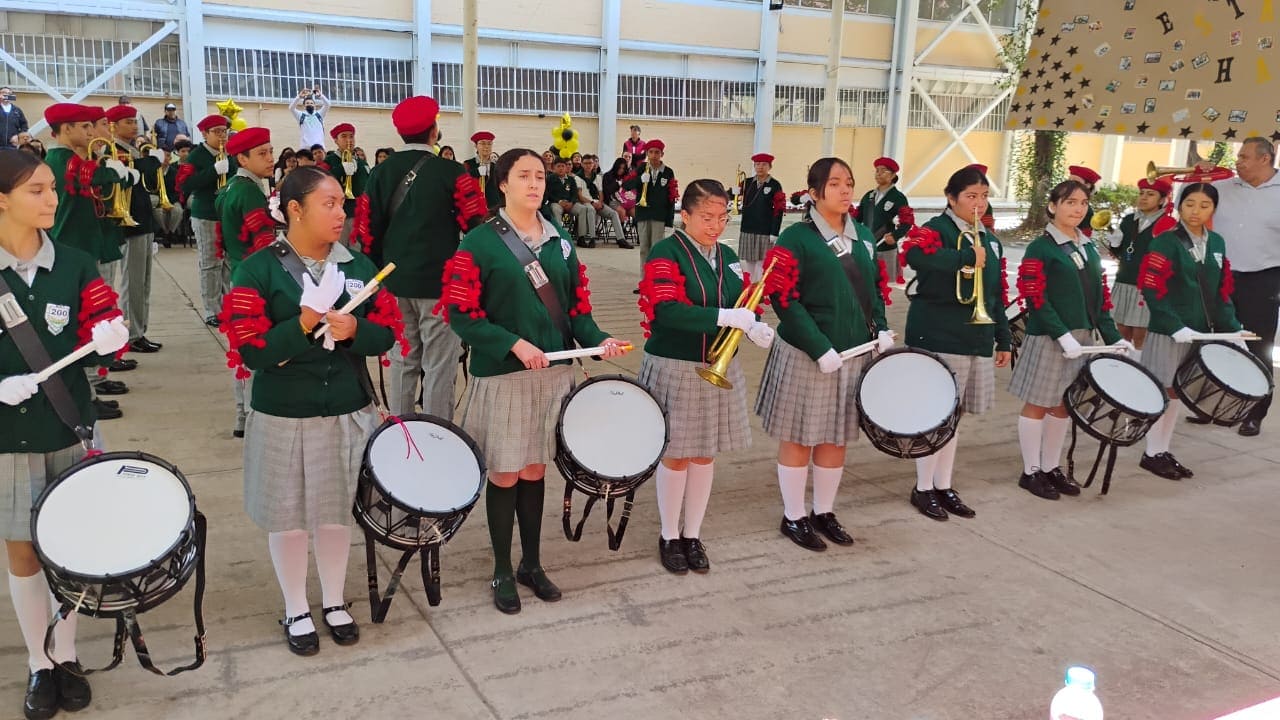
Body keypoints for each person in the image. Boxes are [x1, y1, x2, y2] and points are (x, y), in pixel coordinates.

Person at [435, 148, 629, 613]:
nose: (535, 184)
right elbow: (460, 314)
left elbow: (576, 309)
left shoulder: (560, 238)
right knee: (504, 471)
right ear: (502, 184)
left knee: (535, 468)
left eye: (540, 176)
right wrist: (511, 343)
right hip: (504, 375)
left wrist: (599, 340)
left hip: (554, 373)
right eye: (523, 176)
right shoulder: (478, 243)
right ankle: (502, 568)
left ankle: (532, 563)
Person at [220, 166, 400, 655]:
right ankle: (296, 605)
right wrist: (301, 324)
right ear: (294, 209)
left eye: (343, 203)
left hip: (346, 407)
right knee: (290, 515)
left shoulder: (360, 265)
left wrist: (355, 331)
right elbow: (252, 351)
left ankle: (336, 601)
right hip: (285, 412)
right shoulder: (256, 268)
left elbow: (388, 332)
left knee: (336, 510)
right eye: (329, 203)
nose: (342, 213)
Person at [0, 149, 129, 720]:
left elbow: (108, 332)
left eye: (52, 188)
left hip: (70, 427)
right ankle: (38, 662)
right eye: (37, 190)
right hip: (8, 437)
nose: (52, 199)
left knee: (68, 547)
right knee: (24, 552)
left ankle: (68, 655)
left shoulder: (75, 263)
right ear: (2, 199)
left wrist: (111, 336)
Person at [757, 157, 894, 551]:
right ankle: (794, 515)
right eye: (835, 184)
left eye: (849, 182)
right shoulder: (795, 239)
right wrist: (818, 346)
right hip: (809, 354)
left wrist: (880, 327)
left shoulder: (863, 234)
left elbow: (874, 288)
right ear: (814, 193)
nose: (845, 190)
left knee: (836, 436)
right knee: (801, 435)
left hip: (854, 352)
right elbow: (782, 297)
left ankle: (824, 510)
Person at [637, 179, 773, 573]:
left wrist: (754, 324)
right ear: (685, 216)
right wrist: (724, 317)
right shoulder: (666, 252)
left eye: (722, 217)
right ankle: (668, 535)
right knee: (677, 454)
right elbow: (666, 310)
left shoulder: (728, 255)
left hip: (719, 365)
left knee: (704, 452)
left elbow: (741, 301)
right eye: (706, 217)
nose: (715, 225)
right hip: (676, 365)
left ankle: (692, 534)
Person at [351, 95, 486, 419]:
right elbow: (476, 226)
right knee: (440, 364)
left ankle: (399, 430)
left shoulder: (380, 173)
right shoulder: (452, 171)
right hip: (441, 286)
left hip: (393, 285)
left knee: (402, 360)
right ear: (434, 130)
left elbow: (366, 231)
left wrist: (378, 276)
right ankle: (438, 433)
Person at [900, 165, 1011, 520]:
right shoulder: (936, 229)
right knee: (935, 414)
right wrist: (964, 257)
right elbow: (915, 256)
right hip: (939, 333)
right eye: (970, 196)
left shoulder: (989, 239)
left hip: (974, 338)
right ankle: (923, 487)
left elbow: (994, 293)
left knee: (955, 417)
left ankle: (944, 484)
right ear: (951, 197)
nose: (979, 204)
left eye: (984, 196)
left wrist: (1003, 337)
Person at [1012, 180, 1128, 501]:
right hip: (1050, 336)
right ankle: (1031, 471)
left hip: (1081, 338)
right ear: (1053, 206)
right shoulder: (1041, 247)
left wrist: (1115, 337)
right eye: (1070, 202)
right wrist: (1061, 334)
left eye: (1082, 202)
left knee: (1063, 404)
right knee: (1038, 402)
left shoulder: (1088, 246)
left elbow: (1100, 299)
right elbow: (1035, 297)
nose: (1078, 208)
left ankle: (1051, 467)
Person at [1137, 183, 1251, 478]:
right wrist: (1175, 326)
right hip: (1169, 331)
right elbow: (1151, 289)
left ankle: (1161, 449)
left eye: (1204, 205)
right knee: (1162, 390)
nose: (1196, 211)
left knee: (1176, 392)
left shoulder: (1217, 243)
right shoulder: (1165, 242)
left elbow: (1220, 291)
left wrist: (1234, 331)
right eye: (1189, 203)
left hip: (1199, 332)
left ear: (1214, 209)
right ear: (1178, 205)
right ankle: (1151, 452)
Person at [43, 103, 134, 420]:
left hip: (81, 249)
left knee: (91, 322)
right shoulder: (62, 160)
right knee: (82, 325)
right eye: (84, 127)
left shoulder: (72, 160)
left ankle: (92, 387)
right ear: (65, 129)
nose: (92, 132)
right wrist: (115, 171)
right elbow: (93, 177)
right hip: (71, 250)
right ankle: (85, 394)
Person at [1208, 137, 1280, 437]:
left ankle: (1255, 411)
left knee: (1257, 346)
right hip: (1220, 275)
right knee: (1216, 342)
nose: (1237, 161)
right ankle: (1213, 403)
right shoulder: (1221, 187)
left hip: (1263, 278)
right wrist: (1201, 177)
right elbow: (1187, 206)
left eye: (1244, 156)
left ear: (1265, 159)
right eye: (1238, 156)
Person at [217, 127, 277, 439]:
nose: (271, 158)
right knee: (255, 347)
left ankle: (243, 414)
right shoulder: (250, 192)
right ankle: (253, 414)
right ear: (242, 158)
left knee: (241, 347)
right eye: (262, 153)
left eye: (270, 151)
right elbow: (264, 242)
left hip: (237, 274)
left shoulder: (230, 188)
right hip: (253, 278)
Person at [106, 104, 166, 355]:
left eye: (134, 121)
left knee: (143, 283)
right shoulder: (114, 150)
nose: (133, 126)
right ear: (114, 126)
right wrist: (153, 160)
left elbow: (148, 180)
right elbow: (134, 172)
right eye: (128, 122)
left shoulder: (133, 149)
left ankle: (139, 330)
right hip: (128, 225)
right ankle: (131, 334)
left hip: (142, 220)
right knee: (132, 284)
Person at [177, 114, 235, 327]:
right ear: (205, 133)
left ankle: (226, 305)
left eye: (224, 131)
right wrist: (212, 171)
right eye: (217, 131)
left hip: (226, 214)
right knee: (211, 262)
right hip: (206, 214)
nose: (222, 136)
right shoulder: (196, 156)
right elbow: (185, 184)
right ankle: (212, 309)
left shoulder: (230, 154)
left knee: (228, 262)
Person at [1108, 177, 1170, 352]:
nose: (1143, 197)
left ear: (1162, 200)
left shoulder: (1167, 223)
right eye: (1141, 193)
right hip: (1124, 280)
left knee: (1141, 335)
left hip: (1147, 286)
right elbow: (1121, 253)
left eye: (1150, 194)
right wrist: (1115, 244)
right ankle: (1120, 366)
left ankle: (1139, 368)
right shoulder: (1129, 220)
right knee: (1120, 333)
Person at [854, 157, 914, 286]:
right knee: (864, 282)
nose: (878, 173)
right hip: (866, 245)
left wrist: (896, 235)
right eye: (877, 170)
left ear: (893, 175)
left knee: (882, 285)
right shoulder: (869, 195)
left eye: (883, 171)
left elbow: (907, 221)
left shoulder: (898, 198)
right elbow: (857, 218)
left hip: (885, 247)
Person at [624, 140, 677, 270]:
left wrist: (669, 221)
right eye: (651, 152)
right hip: (643, 214)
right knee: (644, 248)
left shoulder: (668, 172)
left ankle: (655, 280)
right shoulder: (641, 168)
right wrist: (639, 180)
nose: (654, 155)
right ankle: (644, 281)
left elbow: (672, 196)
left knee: (657, 249)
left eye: (657, 152)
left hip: (659, 215)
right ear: (647, 153)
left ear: (662, 154)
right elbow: (626, 185)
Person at [736, 152, 784, 282]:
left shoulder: (775, 185)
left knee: (762, 262)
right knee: (749, 260)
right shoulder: (747, 182)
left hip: (765, 230)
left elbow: (779, 209)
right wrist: (733, 192)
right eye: (757, 164)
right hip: (748, 227)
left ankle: (760, 288)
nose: (760, 167)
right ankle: (750, 287)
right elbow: (734, 197)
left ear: (770, 167)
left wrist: (774, 232)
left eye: (764, 164)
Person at [323, 123, 369, 248]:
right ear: (336, 141)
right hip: (338, 214)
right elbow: (321, 182)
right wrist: (339, 170)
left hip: (359, 215)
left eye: (351, 136)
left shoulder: (361, 163)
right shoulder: (329, 161)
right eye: (344, 136)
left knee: (358, 249)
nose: (349, 140)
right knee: (338, 249)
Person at [579, 154, 631, 248]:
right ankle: (592, 238)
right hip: (586, 202)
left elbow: (601, 192)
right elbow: (580, 195)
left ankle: (621, 239)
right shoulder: (578, 177)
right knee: (591, 210)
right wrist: (592, 203)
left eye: (590, 163)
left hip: (599, 202)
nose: (588, 165)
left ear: (593, 164)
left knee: (614, 214)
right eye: (586, 163)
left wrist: (600, 202)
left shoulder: (598, 177)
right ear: (582, 164)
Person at [549, 157, 597, 248]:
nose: (561, 168)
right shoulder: (550, 179)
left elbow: (574, 193)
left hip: (570, 203)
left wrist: (571, 202)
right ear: (554, 167)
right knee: (555, 209)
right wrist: (559, 201)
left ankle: (581, 237)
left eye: (563, 166)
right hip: (557, 202)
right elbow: (548, 193)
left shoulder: (571, 179)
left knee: (583, 209)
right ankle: (559, 237)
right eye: (558, 166)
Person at [154, 138, 190, 246]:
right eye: (164, 156)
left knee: (177, 211)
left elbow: (178, 190)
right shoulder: (153, 171)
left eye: (168, 156)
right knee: (159, 212)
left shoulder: (174, 172)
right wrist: (161, 201)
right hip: (158, 200)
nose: (166, 158)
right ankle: (165, 232)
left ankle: (171, 231)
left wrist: (170, 202)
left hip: (172, 199)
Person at [463, 131, 501, 212]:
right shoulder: (468, 164)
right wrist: (476, 172)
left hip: (493, 208)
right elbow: (463, 184)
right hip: (474, 208)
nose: (486, 146)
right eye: (483, 143)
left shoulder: (496, 166)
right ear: (476, 146)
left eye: (489, 144)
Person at [1066, 164, 1101, 236]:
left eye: (1075, 181)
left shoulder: (1086, 211)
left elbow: (1083, 237)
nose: (1070, 184)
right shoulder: (1062, 202)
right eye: (1069, 180)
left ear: (1087, 185)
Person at [604, 157, 636, 224]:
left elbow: (631, 190)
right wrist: (618, 184)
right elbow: (607, 191)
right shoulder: (607, 176)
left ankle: (640, 233)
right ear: (615, 167)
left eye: (623, 168)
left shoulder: (627, 176)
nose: (621, 170)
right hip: (613, 201)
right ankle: (622, 232)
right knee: (622, 211)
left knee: (637, 213)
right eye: (619, 168)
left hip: (628, 202)